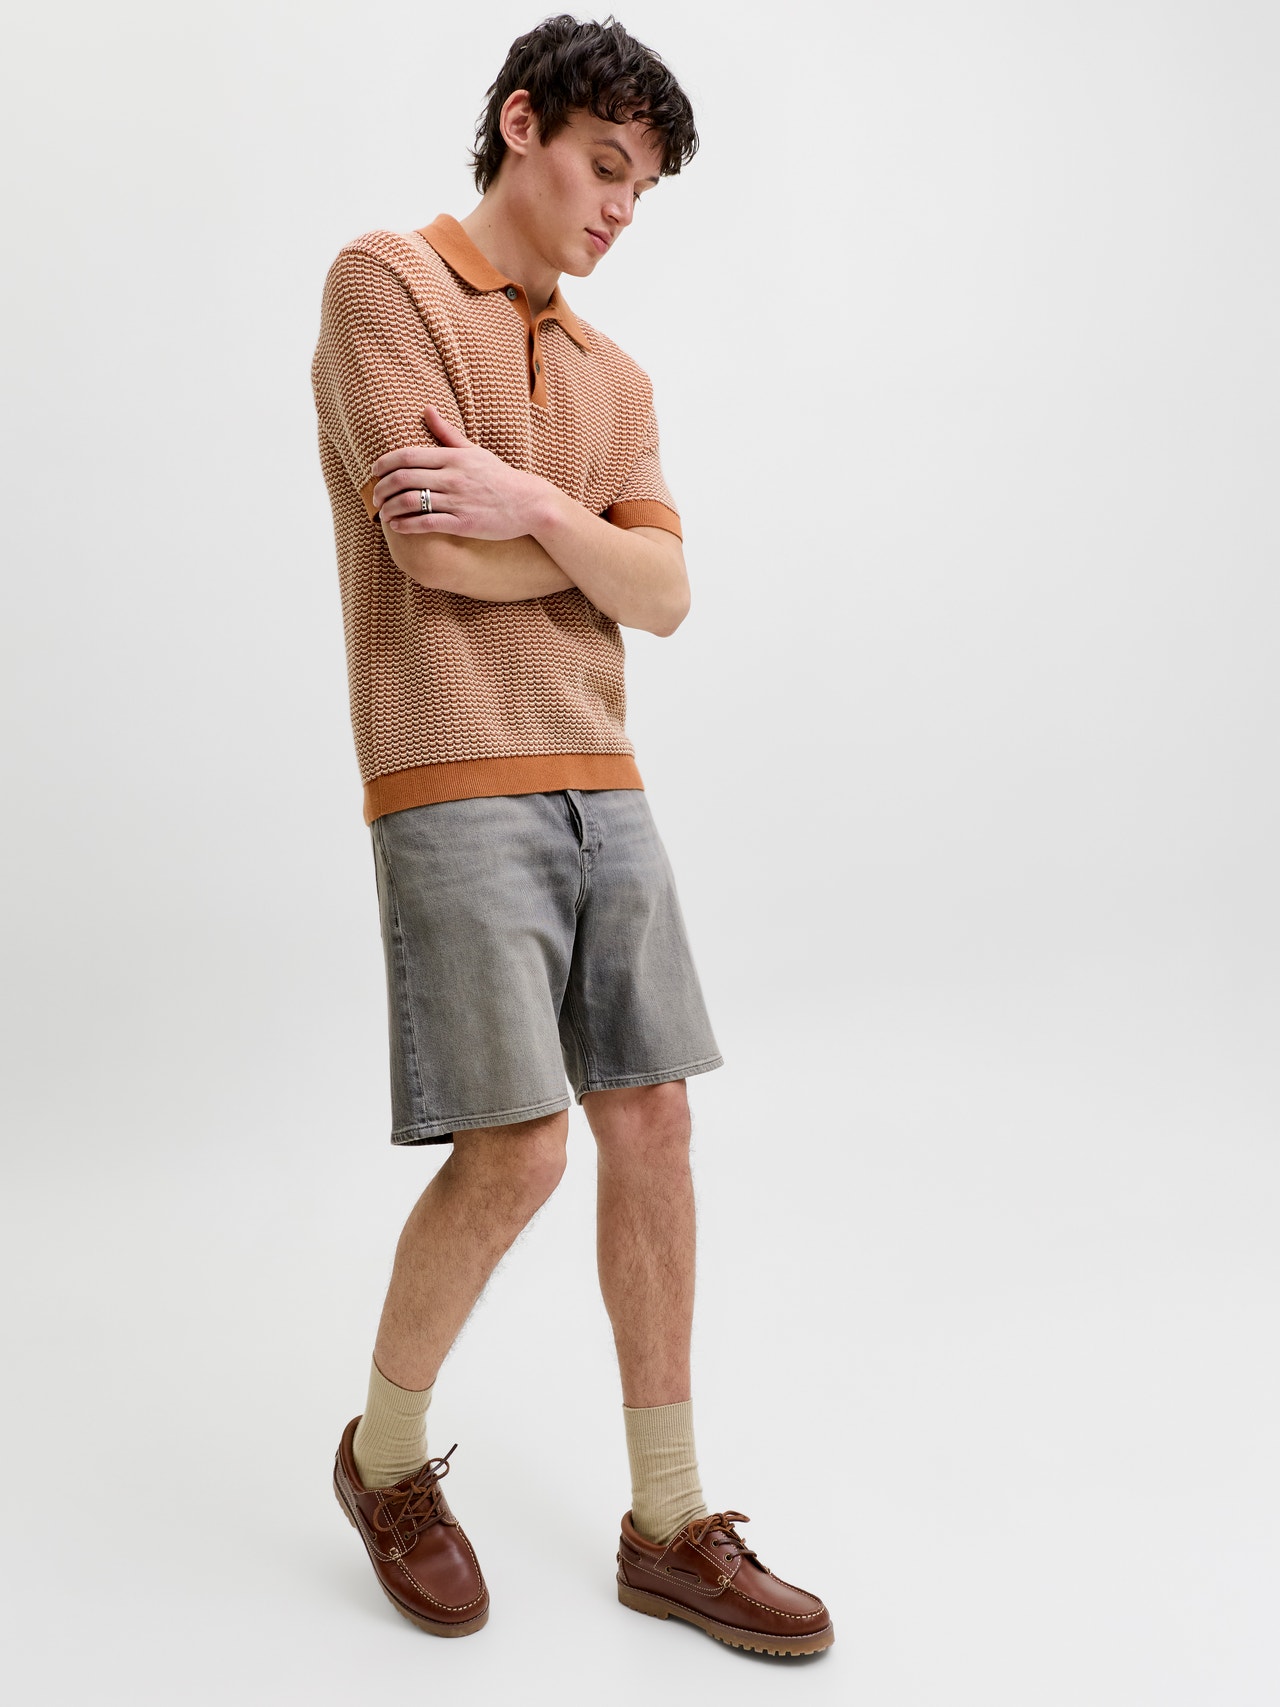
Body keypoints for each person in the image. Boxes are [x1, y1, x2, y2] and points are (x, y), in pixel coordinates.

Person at [310, 12, 833, 1657]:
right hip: (450, 766)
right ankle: (385, 1459)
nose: (619, 209)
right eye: (605, 166)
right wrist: (594, 544)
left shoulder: (619, 377)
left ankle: (670, 1521)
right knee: (518, 1149)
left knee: (654, 1121)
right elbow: (427, 553)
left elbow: (666, 595)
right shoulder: (386, 284)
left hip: (607, 773)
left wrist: (536, 506)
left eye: (643, 189)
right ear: (522, 124)